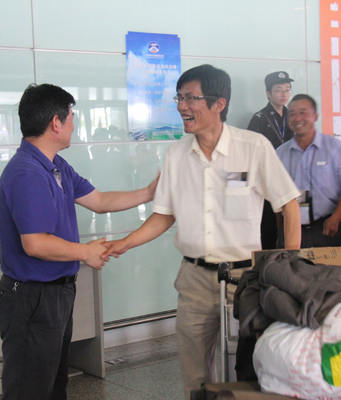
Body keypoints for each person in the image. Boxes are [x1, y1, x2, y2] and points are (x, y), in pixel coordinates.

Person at [102, 64, 301, 397]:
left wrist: (289, 267)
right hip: (194, 280)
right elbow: (163, 216)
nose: (182, 106)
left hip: (245, 279)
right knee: (195, 375)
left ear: (218, 103)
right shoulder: (176, 155)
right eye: (179, 98)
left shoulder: (252, 147)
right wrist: (125, 243)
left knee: (255, 366)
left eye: (190, 98)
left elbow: (288, 204)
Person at [0, 83, 158, 400]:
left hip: (56, 293)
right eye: (71, 118)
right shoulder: (27, 172)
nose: (74, 125)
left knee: (53, 386)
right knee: (30, 390)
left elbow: (99, 200)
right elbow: (35, 244)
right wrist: (86, 252)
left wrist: (149, 193)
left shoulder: (56, 165)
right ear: (56, 123)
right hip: (31, 297)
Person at [276, 94, 341, 248]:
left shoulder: (334, 148)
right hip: (292, 231)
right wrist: (280, 230)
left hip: (326, 229)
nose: (297, 118)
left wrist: (336, 218)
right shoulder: (280, 153)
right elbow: (276, 196)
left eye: (303, 113)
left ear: (315, 116)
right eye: (292, 114)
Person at [247, 71, 295, 249]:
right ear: (268, 93)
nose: (284, 94)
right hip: (267, 183)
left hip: (291, 181)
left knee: (291, 228)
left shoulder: (293, 117)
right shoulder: (259, 119)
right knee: (268, 231)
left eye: (287, 89)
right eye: (278, 90)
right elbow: (251, 155)